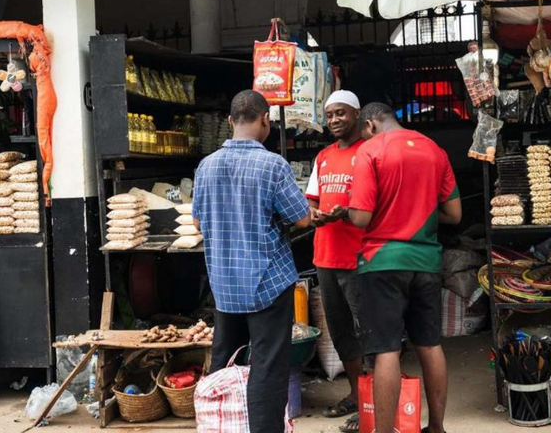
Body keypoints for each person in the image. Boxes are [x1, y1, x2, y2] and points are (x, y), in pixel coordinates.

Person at [192, 90, 311, 433]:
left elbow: (198, 223)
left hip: (225, 285)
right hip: (267, 283)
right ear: (265, 120)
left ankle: (220, 425)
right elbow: (302, 218)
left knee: (225, 360)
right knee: (267, 366)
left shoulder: (207, 165)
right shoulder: (273, 165)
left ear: (230, 122)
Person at [348, 102, 462, 433]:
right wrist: (423, 211)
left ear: (369, 125)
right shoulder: (435, 150)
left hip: (382, 261)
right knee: (429, 343)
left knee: (386, 350)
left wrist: (347, 211)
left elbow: (362, 217)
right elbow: (454, 215)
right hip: (426, 262)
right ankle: (437, 427)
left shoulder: (370, 151)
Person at [304, 90, 365, 433]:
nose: (334, 120)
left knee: (369, 332)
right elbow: (311, 200)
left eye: (340, 113)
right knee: (342, 334)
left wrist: (348, 213)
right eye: (329, 116)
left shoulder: (369, 153)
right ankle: (357, 394)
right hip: (326, 256)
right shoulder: (324, 156)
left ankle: (374, 400)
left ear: (356, 114)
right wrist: (313, 215)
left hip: (359, 257)